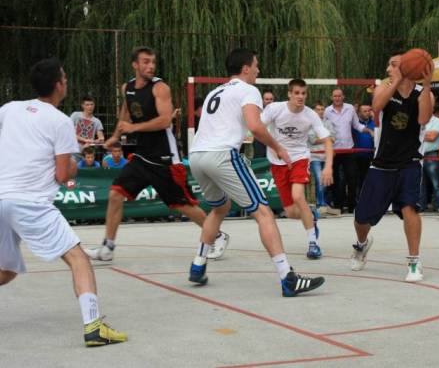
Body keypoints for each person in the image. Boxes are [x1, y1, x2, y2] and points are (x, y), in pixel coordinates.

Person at [0, 59, 126, 346]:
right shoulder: (60, 121)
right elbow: (62, 174)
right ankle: (94, 326)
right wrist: (75, 164)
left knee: (6, 271)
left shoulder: (9, 109)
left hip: (2, 198)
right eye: (65, 78)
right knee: (78, 258)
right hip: (31, 202)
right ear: (58, 85)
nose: (67, 82)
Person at [188, 48, 325, 296]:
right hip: (222, 155)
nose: (258, 70)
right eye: (256, 65)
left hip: (197, 156)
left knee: (219, 208)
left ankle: (198, 265)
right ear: (246, 68)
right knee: (263, 213)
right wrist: (278, 147)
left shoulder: (213, 92)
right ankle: (288, 278)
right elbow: (255, 125)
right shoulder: (248, 90)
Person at [84, 46, 228, 261]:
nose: (151, 66)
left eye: (153, 61)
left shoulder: (160, 88)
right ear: (135, 64)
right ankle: (108, 247)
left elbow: (164, 120)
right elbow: (126, 110)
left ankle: (217, 235)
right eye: (145, 62)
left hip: (165, 159)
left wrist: (134, 128)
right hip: (142, 157)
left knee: (183, 205)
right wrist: (115, 136)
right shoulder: (128, 88)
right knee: (116, 193)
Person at [350, 51, 434, 282]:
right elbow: (377, 106)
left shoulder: (422, 94)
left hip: (410, 163)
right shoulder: (383, 89)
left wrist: (426, 85)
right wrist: (397, 79)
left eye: (393, 65)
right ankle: (362, 244)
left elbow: (424, 119)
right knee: (361, 218)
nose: (388, 69)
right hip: (382, 164)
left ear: (408, 67)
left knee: (410, 208)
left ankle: (414, 262)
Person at [263, 81, 334, 259]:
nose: (300, 96)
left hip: (300, 158)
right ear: (289, 94)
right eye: (297, 93)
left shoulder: (310, 115)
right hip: (278, 162)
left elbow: (327, 140)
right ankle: (312, 215)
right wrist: (271, 145)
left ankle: (313, 243)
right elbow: (257, 128)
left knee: (298, 196)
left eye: (303, 93)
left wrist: (328, 166)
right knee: (292, 212)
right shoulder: (275, 109)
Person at [325, 88, 374, 213]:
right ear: (331, 97)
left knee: (352, 177)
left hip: (349, 149)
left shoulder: (350, 109)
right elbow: (323, 128)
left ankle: (352, 206)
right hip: (334, 150)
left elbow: (356, 125)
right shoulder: (327, 111)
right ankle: (338, 205)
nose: (337, 98)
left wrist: (369, 130)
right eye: (335, 96)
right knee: (335, 179)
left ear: (343, 96)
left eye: (339, 95)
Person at [308, 100, 335, 210]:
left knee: (325, 181)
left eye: (322, 109)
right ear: (314, 110)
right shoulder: (310, 123)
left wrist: (324, 139)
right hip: (315, 157)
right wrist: (326, 139)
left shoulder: (328, 123)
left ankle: (321, 202)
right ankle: (320, 204)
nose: (320, 111)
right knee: (319, 180)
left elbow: (333, 138)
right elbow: (312, 140)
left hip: (326, 156)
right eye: (318, 109)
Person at [419, 106, 439, 215]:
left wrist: (419, 135)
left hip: (432, 153)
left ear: (432, 110)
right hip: (420, 154)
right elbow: (428, 135)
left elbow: (433, 137)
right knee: (421, 183)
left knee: (436, 182)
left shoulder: (438, 121)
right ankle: (421, 206)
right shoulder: (419, 120)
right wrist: (427, 134)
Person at [70, 95, 105, 160]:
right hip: (73, 152)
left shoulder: (97, 121)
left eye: (91, 104)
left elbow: (101, 139)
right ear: (83, 106)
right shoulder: (75, 115)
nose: (90, 107)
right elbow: (69, 133)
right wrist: (85, 140)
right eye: (87, 105)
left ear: (94, 105)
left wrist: (91, 142)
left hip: (87, 155)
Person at [352, 103, 375, 193]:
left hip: (374, 155)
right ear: (359, 113)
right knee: (362, 179)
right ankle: (360, 198)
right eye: (365, 111)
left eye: (369, 110)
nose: (367, 113)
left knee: (374, 178)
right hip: (360, 156)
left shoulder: (375, 122)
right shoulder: (355, 124)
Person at [252, 91, 275, 159]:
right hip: (260, 140)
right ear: (262, 100)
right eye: (267, 99)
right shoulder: (257, 113)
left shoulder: (278, 113)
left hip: (274, 139)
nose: (269, 101)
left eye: (271, 99)